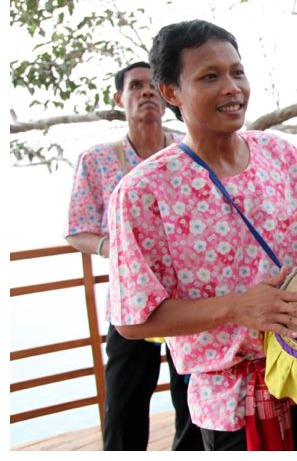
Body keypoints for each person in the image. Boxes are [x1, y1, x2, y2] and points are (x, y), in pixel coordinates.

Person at [105, 20, 297, 451]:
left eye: (237, 72)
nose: (232, 88)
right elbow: (134, 321)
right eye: (210, 76)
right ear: (171, 92)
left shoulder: (280, 154)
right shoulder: (143, 190)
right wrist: (237, 309)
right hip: (233, 404)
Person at [64, 61, 203, 451]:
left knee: (191, 396)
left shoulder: (189, 149)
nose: (146, 93)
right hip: (132, 299)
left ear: (168, 95)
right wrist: (114, 248)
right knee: (125, 398)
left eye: (152, 87)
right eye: (135, 86)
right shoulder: (97, 160)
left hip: (190, 297)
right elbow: (78, 230)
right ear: (118, 98)